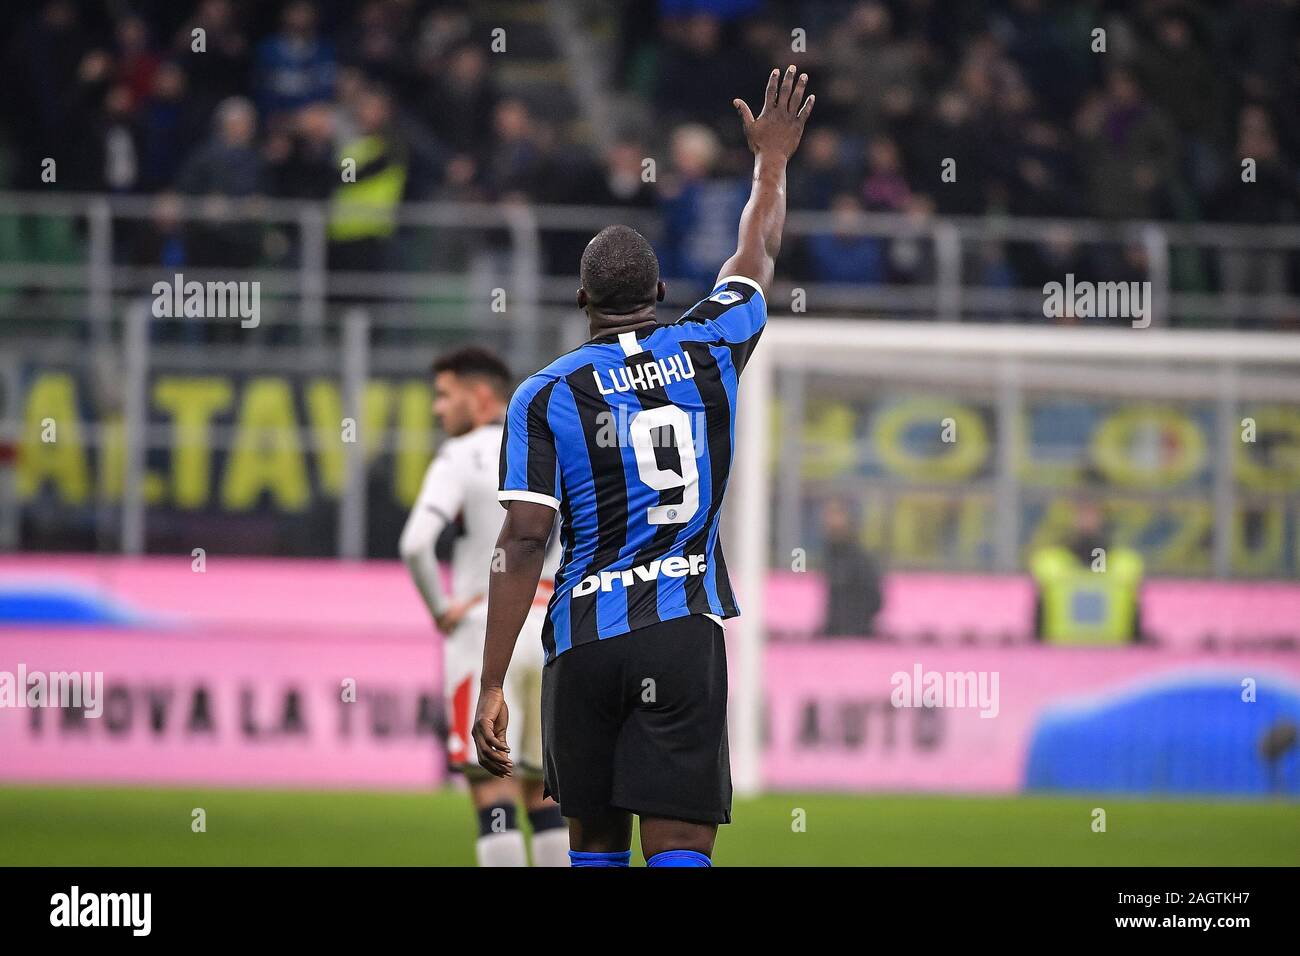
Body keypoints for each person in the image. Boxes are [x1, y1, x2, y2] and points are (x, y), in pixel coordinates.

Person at [472, 67, 814, 867]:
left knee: (592, 841)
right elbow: (755, 253)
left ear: (582, 300)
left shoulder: (544, 393)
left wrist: (492, 682)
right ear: (659, 291)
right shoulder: (709, 345)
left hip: (584, 638)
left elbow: (523, 541)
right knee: (682, 841)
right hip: (680, 633)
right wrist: (770, 162)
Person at [398, 348, 568, 867]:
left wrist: (441, 609)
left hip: (484, 634)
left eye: (445, 395)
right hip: (553, 631)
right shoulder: (552, 449)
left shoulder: (460, 455)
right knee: (547, 799)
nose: (436, 409)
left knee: (492, 795)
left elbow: (415, 544)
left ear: (481, 398)